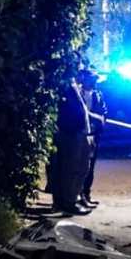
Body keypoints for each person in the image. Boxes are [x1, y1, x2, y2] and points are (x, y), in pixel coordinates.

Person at [47, 76, 92, 215]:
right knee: (71, 168)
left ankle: (69, 200)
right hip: (71, 133)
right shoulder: (64, 84)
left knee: (80, 167)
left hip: (78, 132)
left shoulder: (73, 85)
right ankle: (68, 202)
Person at [79, 69, 107, 206]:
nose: (94, 82)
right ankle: (76, 195)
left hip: (93, 135)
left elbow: (103, 111)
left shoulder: (97, 95)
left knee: (90, 167)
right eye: (92, 79)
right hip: (80, 134)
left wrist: (99, 121)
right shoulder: (78, 93)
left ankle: (86, 194)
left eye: (95, 80)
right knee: (79, 166)